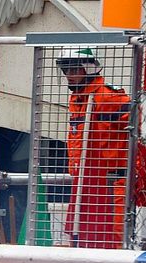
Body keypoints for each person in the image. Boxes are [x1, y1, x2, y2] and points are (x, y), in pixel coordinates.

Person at [56, 47, 132, 249]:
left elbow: (140, 124)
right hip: (85, 181)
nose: (69, 76)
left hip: (112, 182)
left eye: (73, 70)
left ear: (88, 69)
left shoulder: (108, 96)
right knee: (79, 236)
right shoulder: (78, 97)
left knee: (113, 239)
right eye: (66, 71)